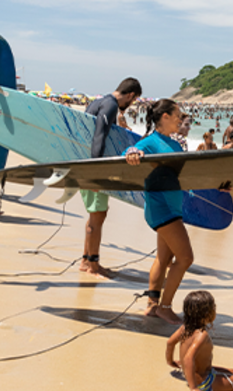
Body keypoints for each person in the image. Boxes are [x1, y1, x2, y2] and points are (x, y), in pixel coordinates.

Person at [124, 99, 192, 324]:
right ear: (165, 116)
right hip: (160, 206)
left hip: (173, 205)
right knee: (185, 258)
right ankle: (165, 307)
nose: (181, 119)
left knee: (164, 258)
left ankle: (152, 305)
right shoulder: (152, 142)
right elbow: (131, 150)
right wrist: (132, 152)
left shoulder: (175, 144)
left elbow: (188, 172)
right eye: (178, 115)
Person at [79, 77, 143, 279]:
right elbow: (99, 136)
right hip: (93, 166)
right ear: (131, 95)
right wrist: (96, 172)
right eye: (133, 101)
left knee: (94, 214)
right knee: (98, 214)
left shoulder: (98, 102)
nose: (130, 105)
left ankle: (85, 260)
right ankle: (93, 266)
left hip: (83, 163)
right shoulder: (111, 105)